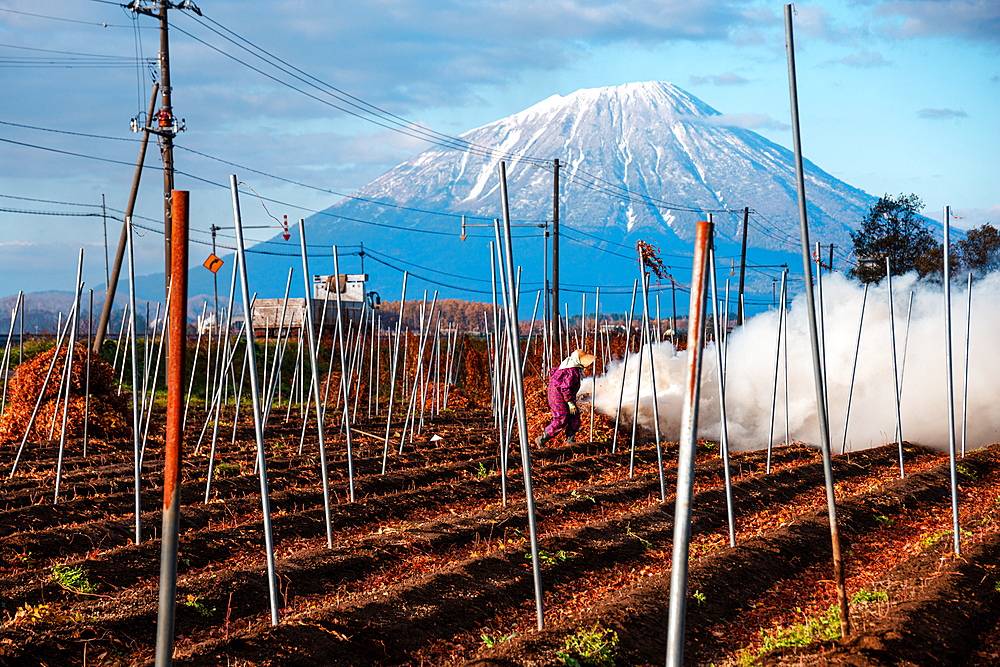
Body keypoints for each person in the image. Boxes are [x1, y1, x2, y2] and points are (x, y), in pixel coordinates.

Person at [535, 349, 596, 447]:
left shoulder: (571, 367)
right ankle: (541, 439)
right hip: (557, 396)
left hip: (561, 394)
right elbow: (565, 387)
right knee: (561, 418)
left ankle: (570, 441)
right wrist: (570, 403)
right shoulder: (571, 370)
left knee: (574, 415)